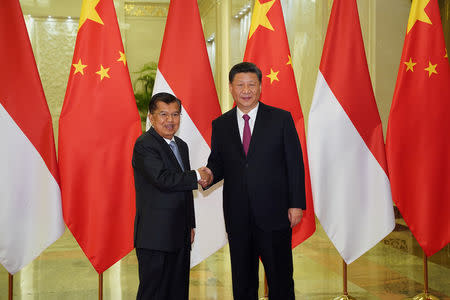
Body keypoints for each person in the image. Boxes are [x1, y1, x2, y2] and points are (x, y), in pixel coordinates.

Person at [202, 62, 306, 299]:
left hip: (275, 214)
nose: (246, 90)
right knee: (243, 280)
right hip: (238, 216)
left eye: (251, 84)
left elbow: (295, 165)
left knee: (280, 279)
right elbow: (218, 162)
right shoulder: (221, 124)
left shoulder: (281, 119)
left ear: (260, 87)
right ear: (231, 88)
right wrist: (208, 173)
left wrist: (296, 203)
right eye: (240, 85)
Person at [132, 92, 209, 300]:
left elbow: (185, 190)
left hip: (180, 234)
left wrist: (190, 224)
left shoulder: (181, 145)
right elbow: (163, 179)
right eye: (163, 114)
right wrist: (196, 176)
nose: (170, 120)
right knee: (153, 292)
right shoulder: (145, 144)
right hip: (155, 236)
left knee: (177, 291)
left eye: (175, 115)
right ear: (151, 117)